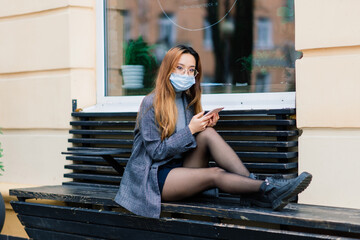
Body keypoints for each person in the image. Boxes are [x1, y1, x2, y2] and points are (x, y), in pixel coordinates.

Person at [114, 45, 312, 219]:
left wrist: (202, 126)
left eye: (191, 70)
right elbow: (157, 153)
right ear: (168, 69)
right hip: (155, 178)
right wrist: (191, 129)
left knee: (207, 134)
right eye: (180, 68)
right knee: (215, 174)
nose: (185, 74)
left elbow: (188, 141)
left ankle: (253, 191)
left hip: (181, 167)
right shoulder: (151, 103)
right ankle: (266, 187)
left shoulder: (187, 100)